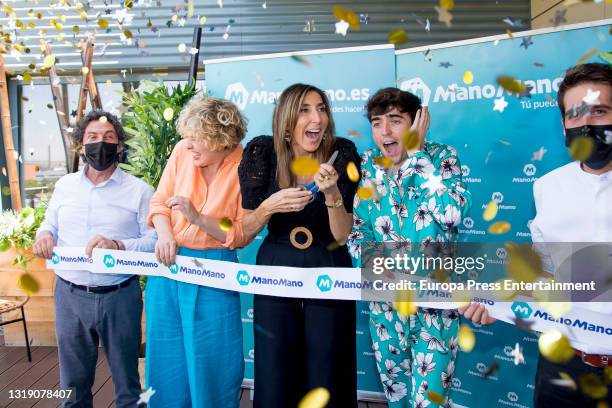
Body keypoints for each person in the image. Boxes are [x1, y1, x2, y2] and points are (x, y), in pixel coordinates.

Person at [348, 88, 474, 407]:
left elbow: (452, 212)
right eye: (377, 123)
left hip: (435, 311)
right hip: (385, 310)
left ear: (418, 122)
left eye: (395, 120)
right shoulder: (368, 166)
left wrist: (417, 156)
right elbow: (357, 229)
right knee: (398, 401)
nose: (385, 131)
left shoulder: (442, 157)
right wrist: (373, 263)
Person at [237, 83, 361, 407]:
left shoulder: (342, 152)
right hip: (276, 261)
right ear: (287, 118)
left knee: (328, 370)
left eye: (321, 108)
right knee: (274, 370)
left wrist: (333, 194)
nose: (316, 118)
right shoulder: (261, 152)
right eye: (305, 109)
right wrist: (269, 207)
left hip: (328, 261)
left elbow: (343, 235)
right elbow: (244, 232)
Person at [33, 110, 156, 407]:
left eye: (108, 137)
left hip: (119, 296)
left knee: (128, 384)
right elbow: (49, 224)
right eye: (93, 137)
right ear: (81, 145)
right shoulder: (64, 186)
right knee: (73, 386)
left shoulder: (139, 191)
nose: (100, 144)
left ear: (119, 146)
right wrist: (44, 235)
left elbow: (153, 242)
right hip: (69, 294)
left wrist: (117, 245)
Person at [145, 96, 251, 407]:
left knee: (214, 364)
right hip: (169, 266)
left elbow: (240, 234)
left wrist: (197, 218)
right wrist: (165, 235)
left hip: (215, 271)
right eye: (187, 136)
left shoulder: (245, 165)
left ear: (220, 139)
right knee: (166, 362)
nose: (189, 144)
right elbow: (159, 203)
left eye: (197, 138)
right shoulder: (181, 151)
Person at [529, 63, 612, 407]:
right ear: (564, 123)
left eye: (600, 111)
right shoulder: (547, 187)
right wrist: (496, 302)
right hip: (560, 366)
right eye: (575, 114)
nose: (587, 125)